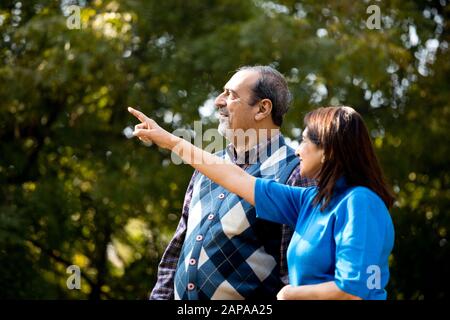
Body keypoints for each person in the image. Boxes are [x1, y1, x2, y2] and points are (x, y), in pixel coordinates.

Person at [129, 105, 395, 300]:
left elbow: (353, 291)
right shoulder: (309, 201)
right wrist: (169, 140)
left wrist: (290, 295)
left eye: (304, 141)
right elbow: (233, 176)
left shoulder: (360, 203)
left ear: (328, 151)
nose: (298, 149)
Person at [145, 66, 314, 300]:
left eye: (231, 94)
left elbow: (296, 274)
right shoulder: (205, 168)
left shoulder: (297, 172)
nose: (218, 101)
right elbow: (176, 251)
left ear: (263, 108)